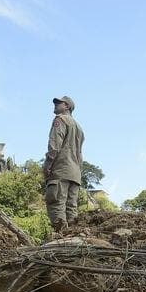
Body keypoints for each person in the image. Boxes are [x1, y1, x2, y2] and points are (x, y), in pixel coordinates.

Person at [43, 96, 85, 233]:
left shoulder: (60, 120)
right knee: (71, 208)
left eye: (58, 103)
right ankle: (72, 237)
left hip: (61, 169)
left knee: (56, 204)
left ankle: (60, 238)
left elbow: (54, 146)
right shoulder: (79, 127)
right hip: (75, 173)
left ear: (67, 106)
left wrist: (48, 165)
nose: (55, 105)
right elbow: (80, 154)